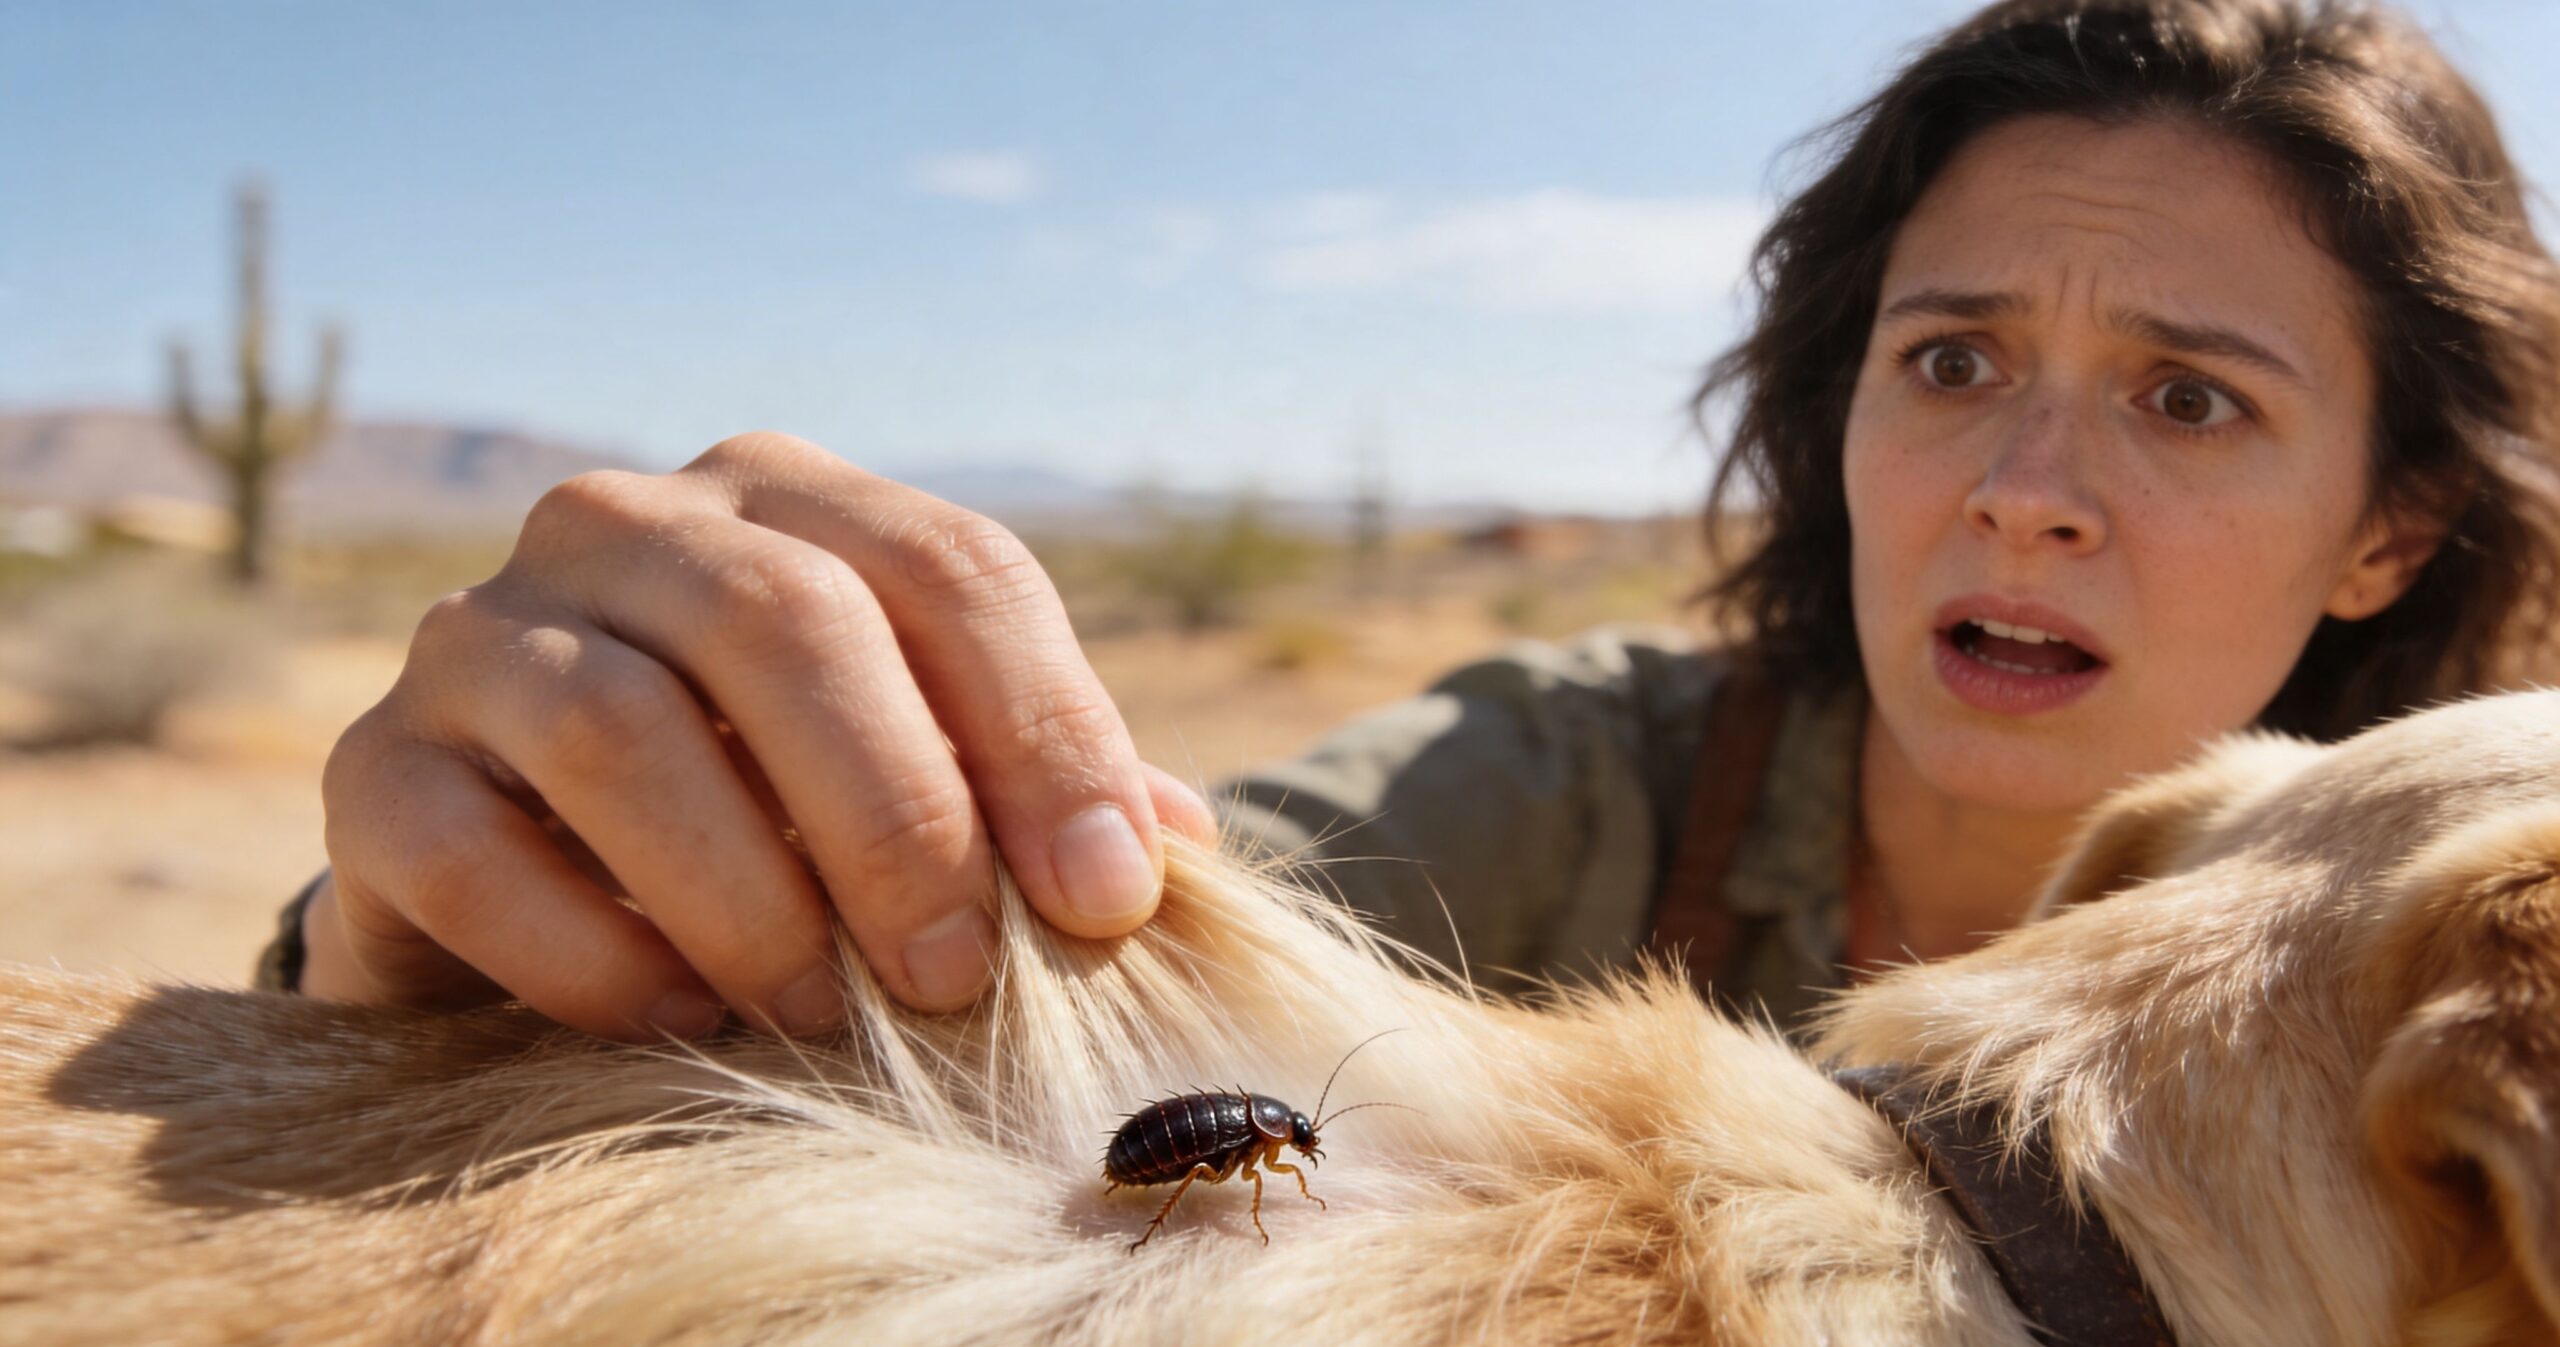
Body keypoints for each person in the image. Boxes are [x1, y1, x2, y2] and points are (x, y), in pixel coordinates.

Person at [258, 0, 2560, 1041]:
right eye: (1947, 361)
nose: (2020, 493)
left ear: (2387, 530)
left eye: (2185, 400)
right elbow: (1047, 987)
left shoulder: (2474, 968)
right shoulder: (1566, 793)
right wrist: (439, 937)